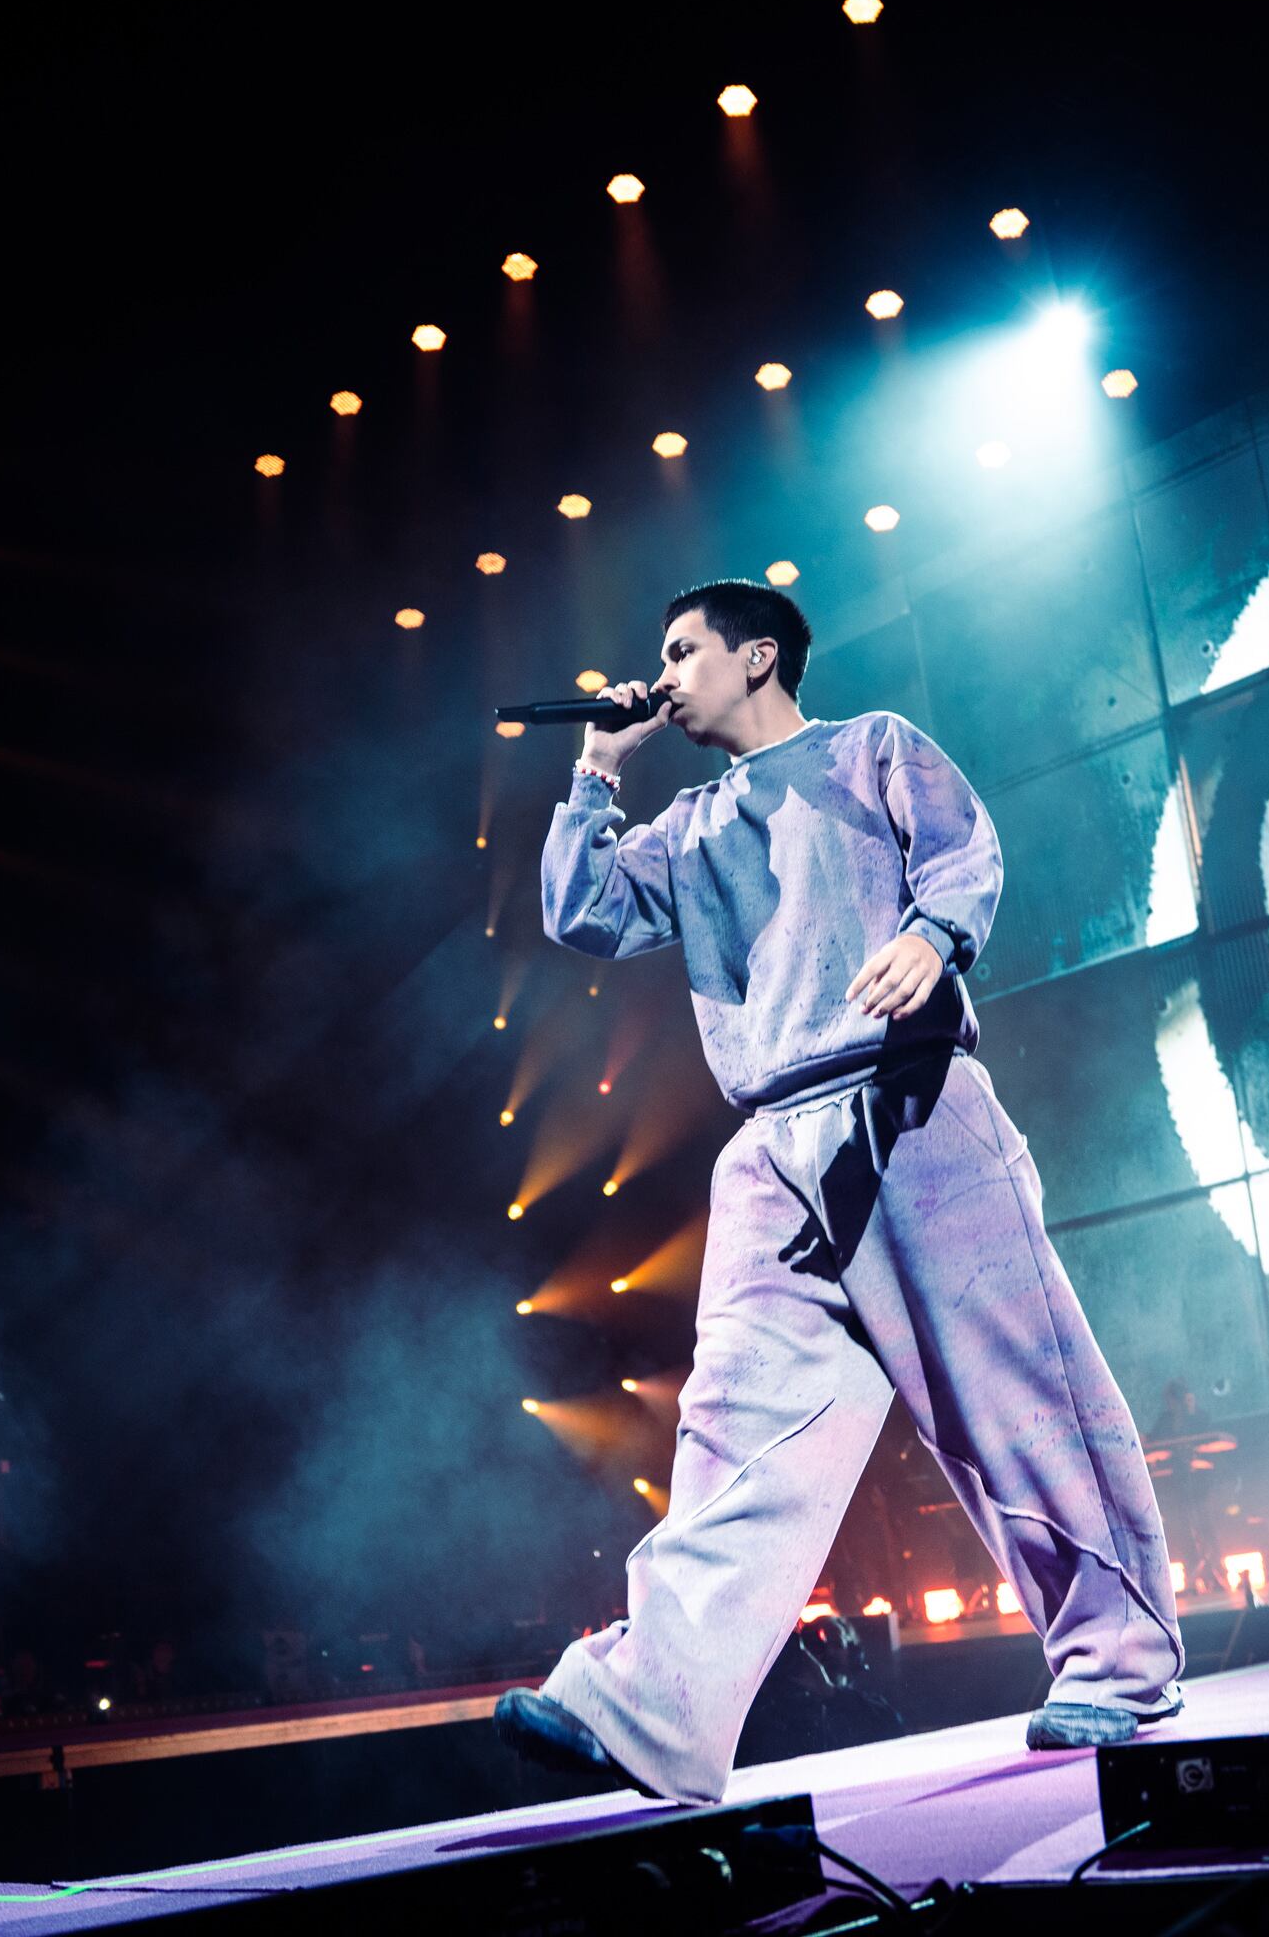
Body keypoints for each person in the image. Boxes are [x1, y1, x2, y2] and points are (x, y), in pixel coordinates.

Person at [493, 580, 1186, 1804]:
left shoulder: (870, 748)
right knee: (737, 1431)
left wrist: (937, 936)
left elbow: (967, 848)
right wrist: (598, 769)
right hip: (772, 1138)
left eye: (681, 653)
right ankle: (652, 1708)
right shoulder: (691, 824)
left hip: (909, 1097)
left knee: (1011, 1388)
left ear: (757, 657)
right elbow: (581, 911)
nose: (663, 675)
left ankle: (1119, 1660)